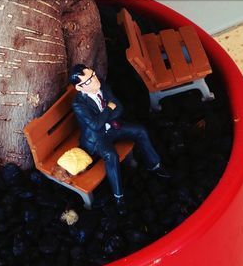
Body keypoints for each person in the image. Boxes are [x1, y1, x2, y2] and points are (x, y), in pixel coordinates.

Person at [69, 64, 169, 210]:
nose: (95, 80)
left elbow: (119, 107)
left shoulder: (101, 84)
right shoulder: (78, 104)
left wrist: (107, 115)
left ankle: (154, 165)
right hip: (97, 137)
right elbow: (95, 125)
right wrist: (109, 108)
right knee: (111, 155)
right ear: (79, 88)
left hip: (113, 126)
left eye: (93, 75)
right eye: (89, 81)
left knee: (140, 130)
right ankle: (118, 197)